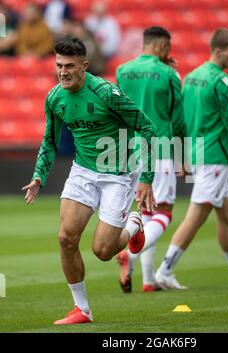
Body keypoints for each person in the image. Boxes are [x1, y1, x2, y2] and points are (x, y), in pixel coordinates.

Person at [22, 37, 156, 325]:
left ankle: (134, 225)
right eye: (59, 65)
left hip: (118, 173)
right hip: (83, 171)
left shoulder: (107, 93)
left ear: (84, 65)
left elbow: (147, 127)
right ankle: (82, 309)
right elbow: (49, 142)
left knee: (103, 251)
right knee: (65, 238)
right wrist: (38, 176)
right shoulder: (55, 97)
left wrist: (146, 178)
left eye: (69, 66)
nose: (63, 72)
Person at [155, 28, 228, 290]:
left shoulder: (193, 77)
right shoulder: (223, 82)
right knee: (197, 214)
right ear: (218, 51)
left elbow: (181, 119)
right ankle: (165, 270)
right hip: (214, 156)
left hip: (197, 152)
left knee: (226, 212)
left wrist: (182, 153)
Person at [115, 26, 186, 292]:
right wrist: (183, 156)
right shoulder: (169, 74)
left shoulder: (122, 71)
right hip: (161, 149)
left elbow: (117, 112)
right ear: (163, 47)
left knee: (145, 213)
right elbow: (178, 120)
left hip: (128, 151)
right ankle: (128, 255)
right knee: (163, 212)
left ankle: (148, 279)